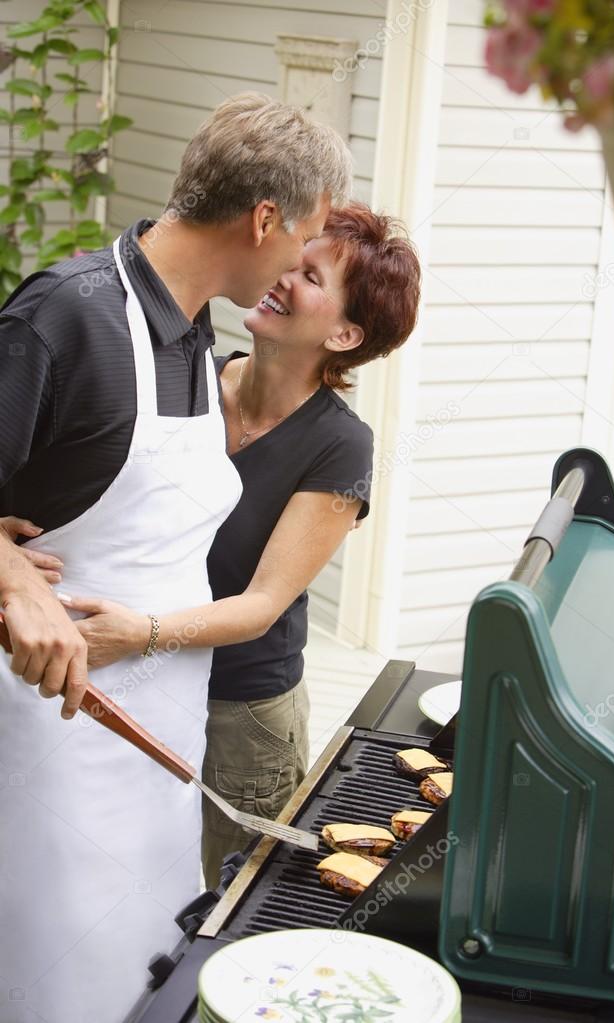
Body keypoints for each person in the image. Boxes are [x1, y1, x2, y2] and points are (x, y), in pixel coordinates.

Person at [0, 93, 351, 1023]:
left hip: (162, 741)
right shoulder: (68, 317)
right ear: (265, 219)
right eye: (303, 239)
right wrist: (7, 580)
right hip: (49, 741)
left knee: (144, 975)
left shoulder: (196, 332)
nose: (293, 267)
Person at [50, 203, 422, 888]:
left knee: (230, 907)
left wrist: (140, 632)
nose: (283, 275)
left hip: (242, 718)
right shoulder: (192, 378)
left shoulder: (340, 444)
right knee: (131, 884)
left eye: (310, 275)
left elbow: (261, 605)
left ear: (344, 333)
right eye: (294, 257)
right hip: (143, 683)